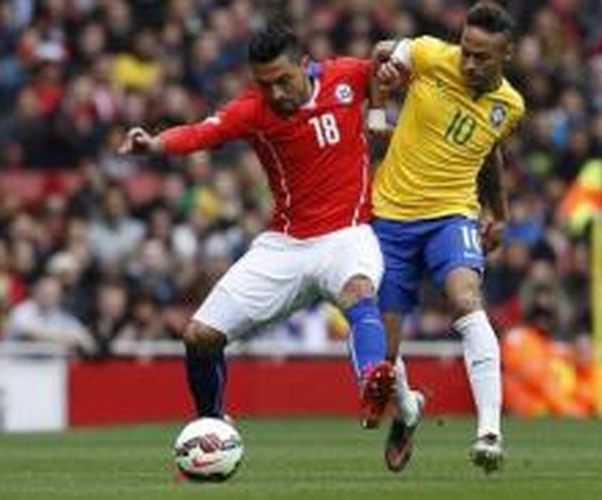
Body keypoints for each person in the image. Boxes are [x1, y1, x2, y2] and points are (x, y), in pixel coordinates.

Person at [119, 25, 394, 429]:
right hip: (285, 245)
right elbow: (199, 132)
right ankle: (212, 426)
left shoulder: (346, 75)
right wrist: (154, 144)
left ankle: (372, 384)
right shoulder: (252, 110)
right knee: (200, 335)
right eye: (266, 84)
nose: (277, 93)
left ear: (305, 65)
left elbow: (383, 64)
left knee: (359, 291)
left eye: (284, 80)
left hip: (347, 234)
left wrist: (376, 113)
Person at [372, 1, 526, 473]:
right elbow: (380, 52)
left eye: (483, 56)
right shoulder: (429, 54)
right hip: (390, 216)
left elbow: (489, 154)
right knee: (384, 354)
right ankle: (409, 408)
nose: (471, 62)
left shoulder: (511, 106)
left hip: (451, 215)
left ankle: (489, 433)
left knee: (465, 298)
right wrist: (381, 106)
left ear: (507, 55)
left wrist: (498, 212)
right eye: (467, 51)